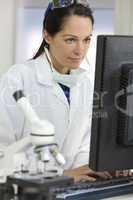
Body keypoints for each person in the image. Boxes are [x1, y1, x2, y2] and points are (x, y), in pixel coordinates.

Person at [0, 0, 131, 182]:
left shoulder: (86, 83)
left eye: (86, 40)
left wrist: (100, 169)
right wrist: (62, 176)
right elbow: (2, 154)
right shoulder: (18, 79)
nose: (80, 50)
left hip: (68, 190)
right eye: (70, 40)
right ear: (47, 35)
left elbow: (83, 146)